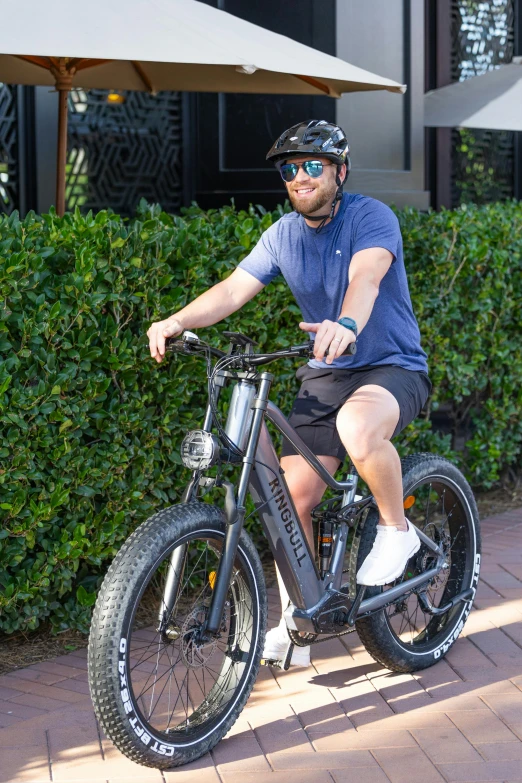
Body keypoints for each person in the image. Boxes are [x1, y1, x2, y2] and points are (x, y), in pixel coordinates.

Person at [147, 119, 431, 668]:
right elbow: (234, 288)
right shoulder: (282, 234)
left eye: (312, 166)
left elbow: (366, 277)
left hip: (391, 365)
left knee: (357, 428)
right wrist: (176, 321)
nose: (299, 177)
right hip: (327, 370)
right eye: (289, 169)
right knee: (288, 499)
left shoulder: (372, 217)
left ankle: (397, 530)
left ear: (339, 172)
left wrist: (346, 321)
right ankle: (297, 620)